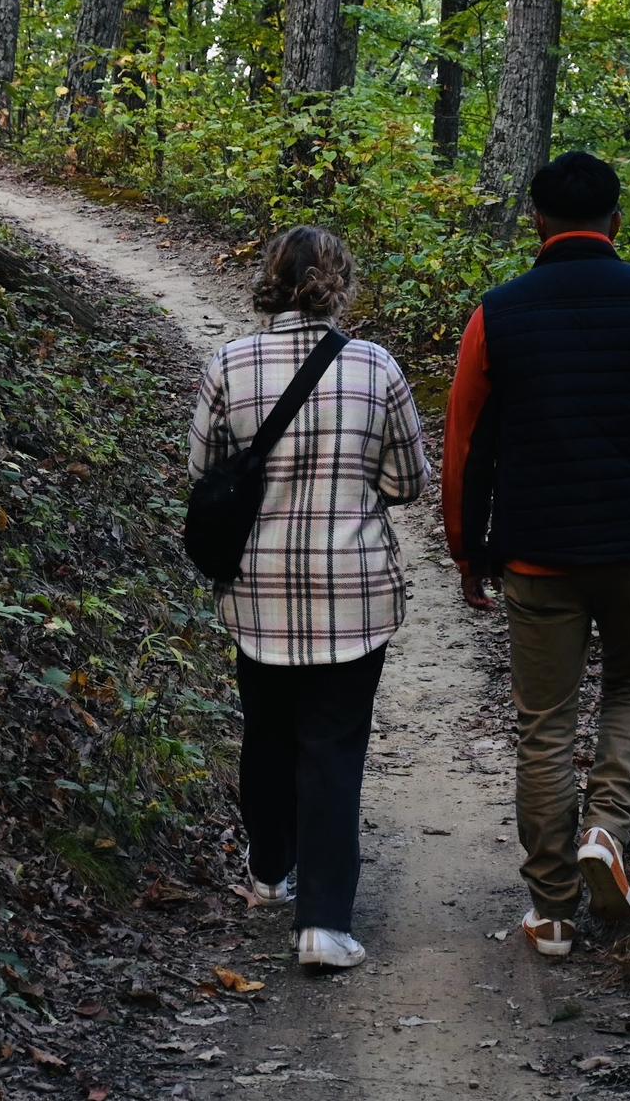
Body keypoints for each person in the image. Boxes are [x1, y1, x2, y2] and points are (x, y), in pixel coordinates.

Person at [442, 152, 630, 957]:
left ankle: (555, 909)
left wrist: (468, 551)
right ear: (616, 220)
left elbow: (465, 446)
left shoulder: (497, 314)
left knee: (544, 725)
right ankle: (607, 830)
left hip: (538, 556)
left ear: (535, 219)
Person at [189, 225, 430, 970]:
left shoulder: (229, 362)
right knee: (332, 743)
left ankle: (269, 870)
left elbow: (202, 470)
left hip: (256, 589)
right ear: (340, 280)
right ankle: (325, 924)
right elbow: (407, 481)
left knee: (265, 730)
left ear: (271, 279)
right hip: (352, 592)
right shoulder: (375, 367)